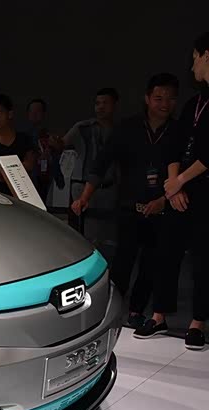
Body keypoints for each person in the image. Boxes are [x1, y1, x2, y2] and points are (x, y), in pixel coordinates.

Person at [72, 73, 180, 330]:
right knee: (122, 262)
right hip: (129, 207)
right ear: (147, 99)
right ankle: (112, 312)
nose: (164, 104)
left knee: (151, 265)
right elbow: (102, 162)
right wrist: (85, 197)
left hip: (161, 209)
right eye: (158, 98)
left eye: (170, 99)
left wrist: (164, 200)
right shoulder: (128, 128)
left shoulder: (177, 131)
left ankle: (136, 311)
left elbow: (180, 173)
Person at [134, 32, 209, 350]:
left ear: (206, 55)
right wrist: (174, 183)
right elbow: (175, 146)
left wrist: (180, 181)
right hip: (180, 192)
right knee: (166, 253)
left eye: (194, 58)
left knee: (203, 260)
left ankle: (198, 323)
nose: (192, 65)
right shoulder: (195, 103)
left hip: (204, 193)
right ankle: (160, 315)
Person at [54, 88, 120, 231]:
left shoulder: (119, 130)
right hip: (82, 184)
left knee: (107, 228)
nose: (101, 107)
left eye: (105, 103)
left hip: (108, 186)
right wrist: (55, 142)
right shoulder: (83, 127)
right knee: (83, 227)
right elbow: (62, 144)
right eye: (98, 103)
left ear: (114, 105)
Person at [0, 94, 36, 196]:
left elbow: (29, 166)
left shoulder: (24, 139)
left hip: (21, 196)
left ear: (10, 114)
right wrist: (17, 173)